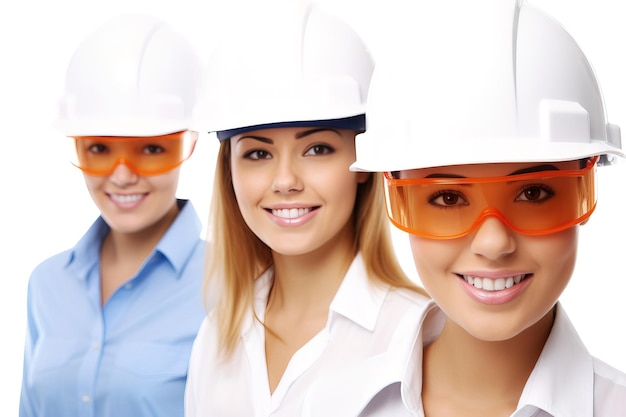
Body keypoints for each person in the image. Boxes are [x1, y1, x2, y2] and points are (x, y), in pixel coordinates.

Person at [299, 0, 626, 415]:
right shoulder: (332, 406)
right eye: (448, 198)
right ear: (394, 197)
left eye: (535, 193)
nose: (493, 243)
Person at [184, 1, 429, 416]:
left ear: (362, 163)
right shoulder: (215, 337)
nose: (285, 181)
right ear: (229, 171)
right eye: (258, 154)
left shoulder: (419, 334)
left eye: (317, 149)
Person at [19, 14, 208, 417]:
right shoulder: (46, 284)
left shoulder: (234, 283)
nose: (122, 176)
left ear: (187, 145)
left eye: (151, 149)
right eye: (100, 149)